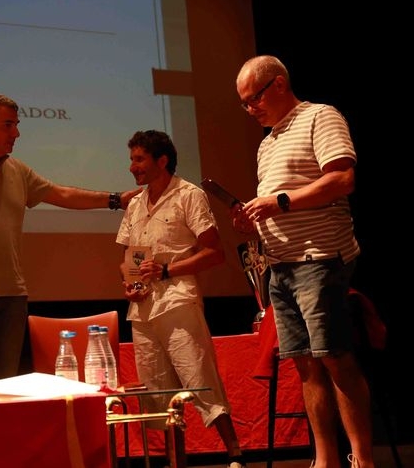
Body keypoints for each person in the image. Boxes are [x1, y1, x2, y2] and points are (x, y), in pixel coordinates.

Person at [0, 92, 141, 400]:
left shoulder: (17, 170)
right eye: (8, 125)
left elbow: (61, 194)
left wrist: (115, 200)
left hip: (10, 296)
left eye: (16, 125)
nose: (16, 133)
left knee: (3, 390)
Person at [231, 55, 373, 468]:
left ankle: (363, 459)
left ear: (278, 84)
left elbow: (342, 179)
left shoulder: (319, 117)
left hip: (320, 258)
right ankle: (325, 459)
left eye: (254, 98)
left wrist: (279, 202)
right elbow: (281, 201)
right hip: (281, 266)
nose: (250, 109)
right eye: (244, 103)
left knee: (335, 357)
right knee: (307, 367)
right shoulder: (268, 143)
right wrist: (253, 219)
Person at [115, 130, 246, 468]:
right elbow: (129, 257)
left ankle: (235, 454)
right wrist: (130, 282)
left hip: (177, 301)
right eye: (132, 159)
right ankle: (176, 461)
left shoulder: (188, 195)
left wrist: (167, 270)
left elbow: (214, 252)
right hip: (143, 309)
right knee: (157, 391)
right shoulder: (136, 203)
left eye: (139, 159)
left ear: (162, 161)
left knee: (199, 378)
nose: (132, 167)